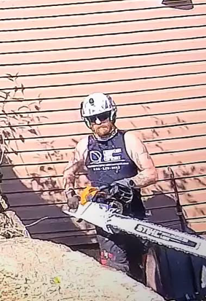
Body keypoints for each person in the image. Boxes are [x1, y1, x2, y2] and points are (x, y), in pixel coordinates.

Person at [62, 92, 159, 281]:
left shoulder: (129, 140)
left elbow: (151, 173)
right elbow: (68, 173)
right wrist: (70, 194)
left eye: (103, 116)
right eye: (93, 118)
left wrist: (127, 183)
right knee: (116, 272)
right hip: (103, 216)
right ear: (87, 121)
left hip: (132, 212)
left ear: (112, 114)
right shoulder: (85, 145)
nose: (99, 121)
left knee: (139, 267)